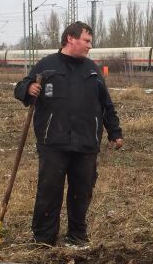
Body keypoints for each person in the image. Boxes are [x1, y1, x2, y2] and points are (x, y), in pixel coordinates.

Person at [14, 21, 124, 246]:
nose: (90, 46)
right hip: (53, 141)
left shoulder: (92, 70)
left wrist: (114, 131)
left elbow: (106, 104)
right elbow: (20, 87)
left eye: (90, 41)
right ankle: (44, 238)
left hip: (86, 142)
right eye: (86, 41)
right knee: (49, 191)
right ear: (70, 39)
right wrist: (28, 89)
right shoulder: (46, 65)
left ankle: (77, 236)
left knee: (81, 192)